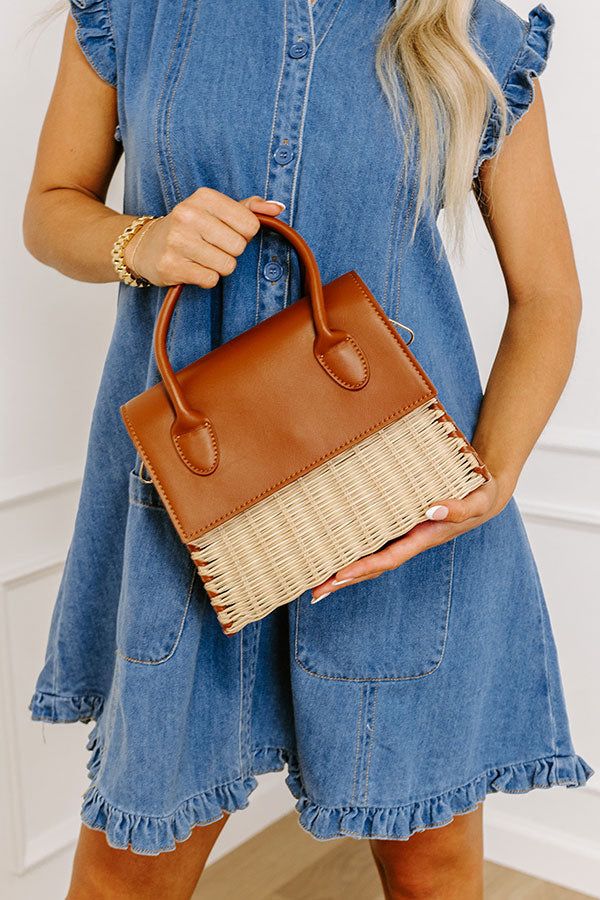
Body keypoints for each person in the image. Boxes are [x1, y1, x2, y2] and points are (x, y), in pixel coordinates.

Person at [23, 1, 593, 897]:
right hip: (191, 512)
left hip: (397, 512)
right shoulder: (132, 13)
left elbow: (549, 298)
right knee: (123, 881)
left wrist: (493, 473)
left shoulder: (469, 32)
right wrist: (144, 241)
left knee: (433, 876)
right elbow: (50, 210)